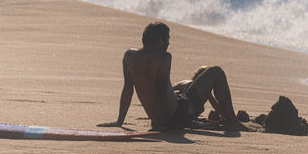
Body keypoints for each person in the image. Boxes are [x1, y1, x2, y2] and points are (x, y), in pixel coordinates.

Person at [99, 22, 249, 131]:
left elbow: (127, 90)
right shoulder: (163, 58)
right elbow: (161, 91)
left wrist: (120, 121)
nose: (169, 43)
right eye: (168, 39)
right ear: (160, 40)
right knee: (216, 72)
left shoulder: (129, 56)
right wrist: (159, 125)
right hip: (179, 115)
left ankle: (228, 119)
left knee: (186, 85)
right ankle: (232, 122)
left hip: (163, 116)